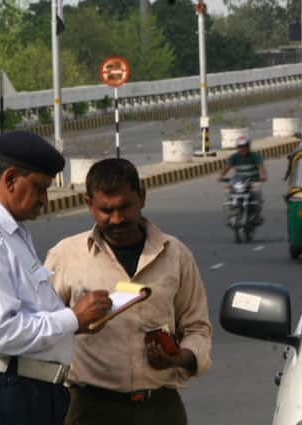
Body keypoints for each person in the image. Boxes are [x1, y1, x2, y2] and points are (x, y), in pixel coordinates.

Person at [0, 130, 113, 425]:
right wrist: (72, 319)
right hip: (5, 391)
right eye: (40, 188)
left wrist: (75, 323)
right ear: (10, 179)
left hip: (25, 389)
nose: (45, 199)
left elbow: (28, 311)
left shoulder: (11, 230)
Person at [44, 158, 212, 425]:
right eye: (106, 210)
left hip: (160, 408)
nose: (117, 219)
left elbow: (198, 329)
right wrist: (76, 320)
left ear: (142, 198)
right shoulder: (66, 256)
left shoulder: (175, 255)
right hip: (88, 408)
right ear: (89, 205)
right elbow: (39, 328)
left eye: (125, 207)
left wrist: (178, 357)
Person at [217, 136, 267, 223]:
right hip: (239, 181)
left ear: (248, 147)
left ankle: (257, 215)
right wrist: (221, 176)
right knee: (230, 193)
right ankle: (232, 213)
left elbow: (261, 168)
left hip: (253, 181)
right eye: (240, 147)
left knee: (257, 193)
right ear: (238, 147)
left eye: (245, 146)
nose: (243, 149)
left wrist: (263, 176)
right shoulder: (234, 157)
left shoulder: (255, 156)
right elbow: (226, 168)